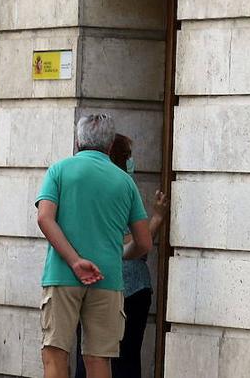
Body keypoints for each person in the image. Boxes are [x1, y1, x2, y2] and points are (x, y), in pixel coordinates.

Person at [35, 114, 165, 378]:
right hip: (108, 278)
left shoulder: (59, 170)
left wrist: (74, 261)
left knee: (55, 354)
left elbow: (44, 218)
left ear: (78, 141)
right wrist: (120, 256)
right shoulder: (124, 181)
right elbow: (143, 242)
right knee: (99, 360)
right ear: (108, 146)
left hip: (63, 275)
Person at [74, 134, 167, 378]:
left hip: (90, 283)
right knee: (122, 358)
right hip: (126, 287)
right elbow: (129, 241)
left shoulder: (81, 182)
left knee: (89, 355)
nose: (131, 162)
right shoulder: (121, 186)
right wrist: (157, 218)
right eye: (127, 157)